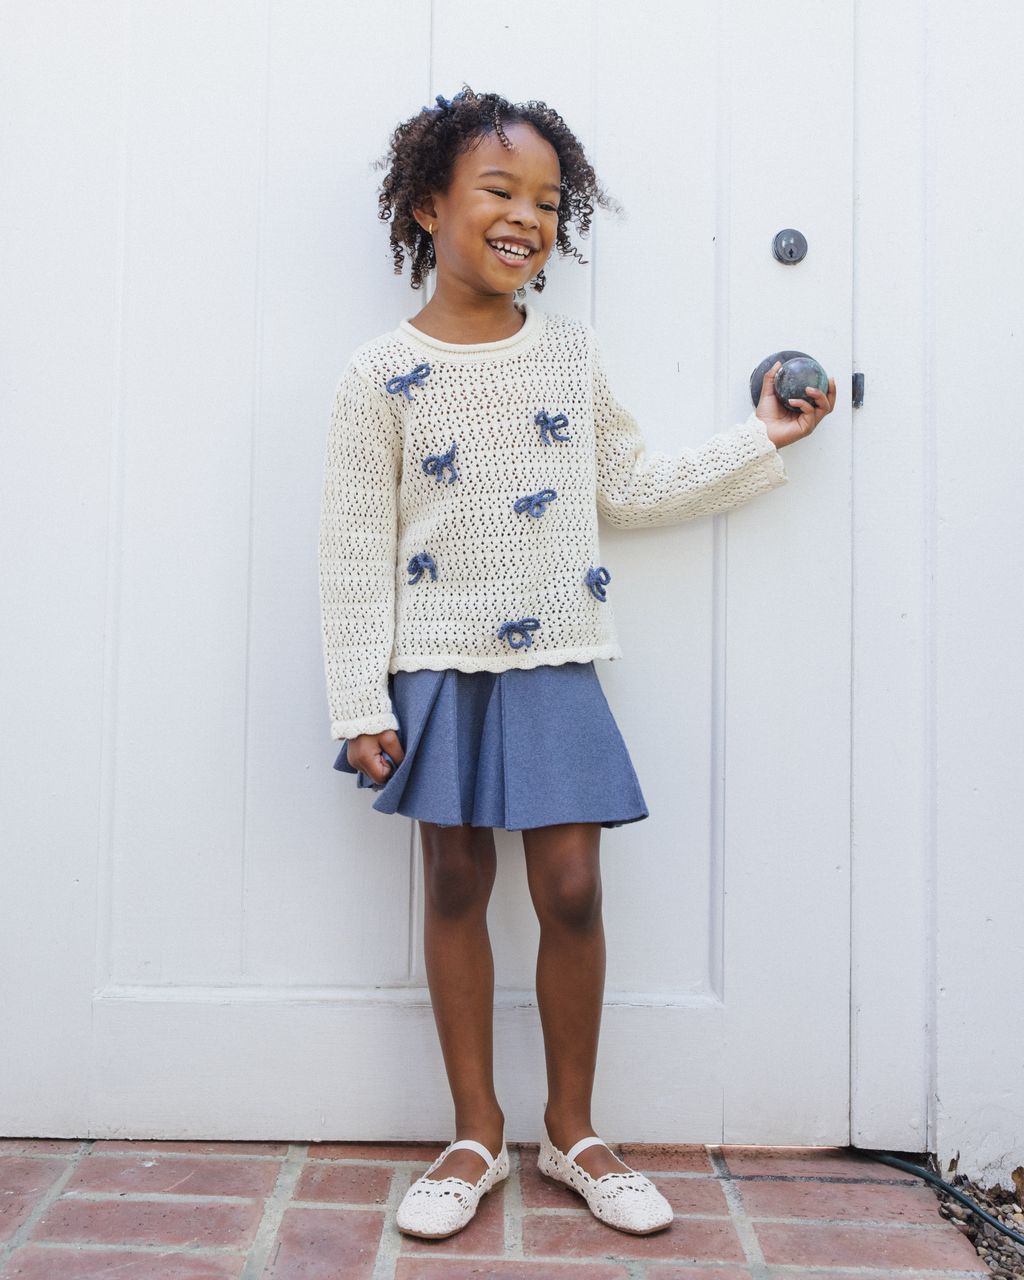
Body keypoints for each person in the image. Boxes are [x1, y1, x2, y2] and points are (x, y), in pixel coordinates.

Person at [317, 85, 834, 1241]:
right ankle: (472, 1133)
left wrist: (758, 439)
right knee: (455, 882)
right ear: (427, 205)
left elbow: (628, 486)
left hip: (555, 656)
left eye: (548, 201)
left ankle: (573, 1129)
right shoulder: (376, 374)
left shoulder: (567, 356)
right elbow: (351, 547)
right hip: (435, 663)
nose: (527, 217)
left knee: (570, 887)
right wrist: (359, 695)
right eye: (499, 191)